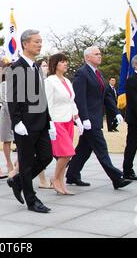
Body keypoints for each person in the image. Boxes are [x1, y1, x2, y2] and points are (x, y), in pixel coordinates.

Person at [65, 46, 132, 190]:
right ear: (87, 57)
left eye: (100, 54)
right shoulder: (81, 74)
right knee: (101, 148)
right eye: (96, 54)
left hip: (96, 118)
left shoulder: (98, 74)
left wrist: (117, 112)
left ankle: (72, 175)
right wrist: (84, 118)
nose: (100, 56)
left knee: (84, 149)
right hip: (89, 119)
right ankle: (116, 178)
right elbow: (79, 98)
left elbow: (107, 96)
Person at [6, 29, 53, 213]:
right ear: (25, 44)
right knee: (25, 164)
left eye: (41, 41)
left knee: (46, 156)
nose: (40, 44)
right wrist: (17, 121)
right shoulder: (16, 67)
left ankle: (17, 181)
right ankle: (31, 200)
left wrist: (48, 122)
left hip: (40, 122)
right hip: (25, 124)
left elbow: (41, 96)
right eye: (36, 42)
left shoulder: (35, 66)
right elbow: (13, 97)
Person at [45, 53, 83, 195]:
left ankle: (61, 182)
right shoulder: (50, 81)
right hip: (56, 121)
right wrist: (50, 123)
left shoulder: (67, 81)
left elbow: (71, 101)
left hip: (68, 120)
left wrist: (77, 118)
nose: (65, 64)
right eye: (62, 62)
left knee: (65, 154)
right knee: (67, 153)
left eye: (66, 61)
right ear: (55, 64)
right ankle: (55, 178)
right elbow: (47, 103)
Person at [35, 58, 53, 189]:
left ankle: (15, 173)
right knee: (41, 154)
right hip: (39, 120)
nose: (46, 68)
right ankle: (42, 180)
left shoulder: (49, 81)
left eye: (47, 65)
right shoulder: (38, 82)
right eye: (44, 65)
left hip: (49, 118)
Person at [0, 65, 16, 175]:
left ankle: (18, 162)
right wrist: (12, 116)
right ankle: (9, 163)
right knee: (7, 139)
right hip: (7, 114)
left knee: (19, 140)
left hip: (17, 114)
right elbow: (5, 101)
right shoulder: (4, 85)